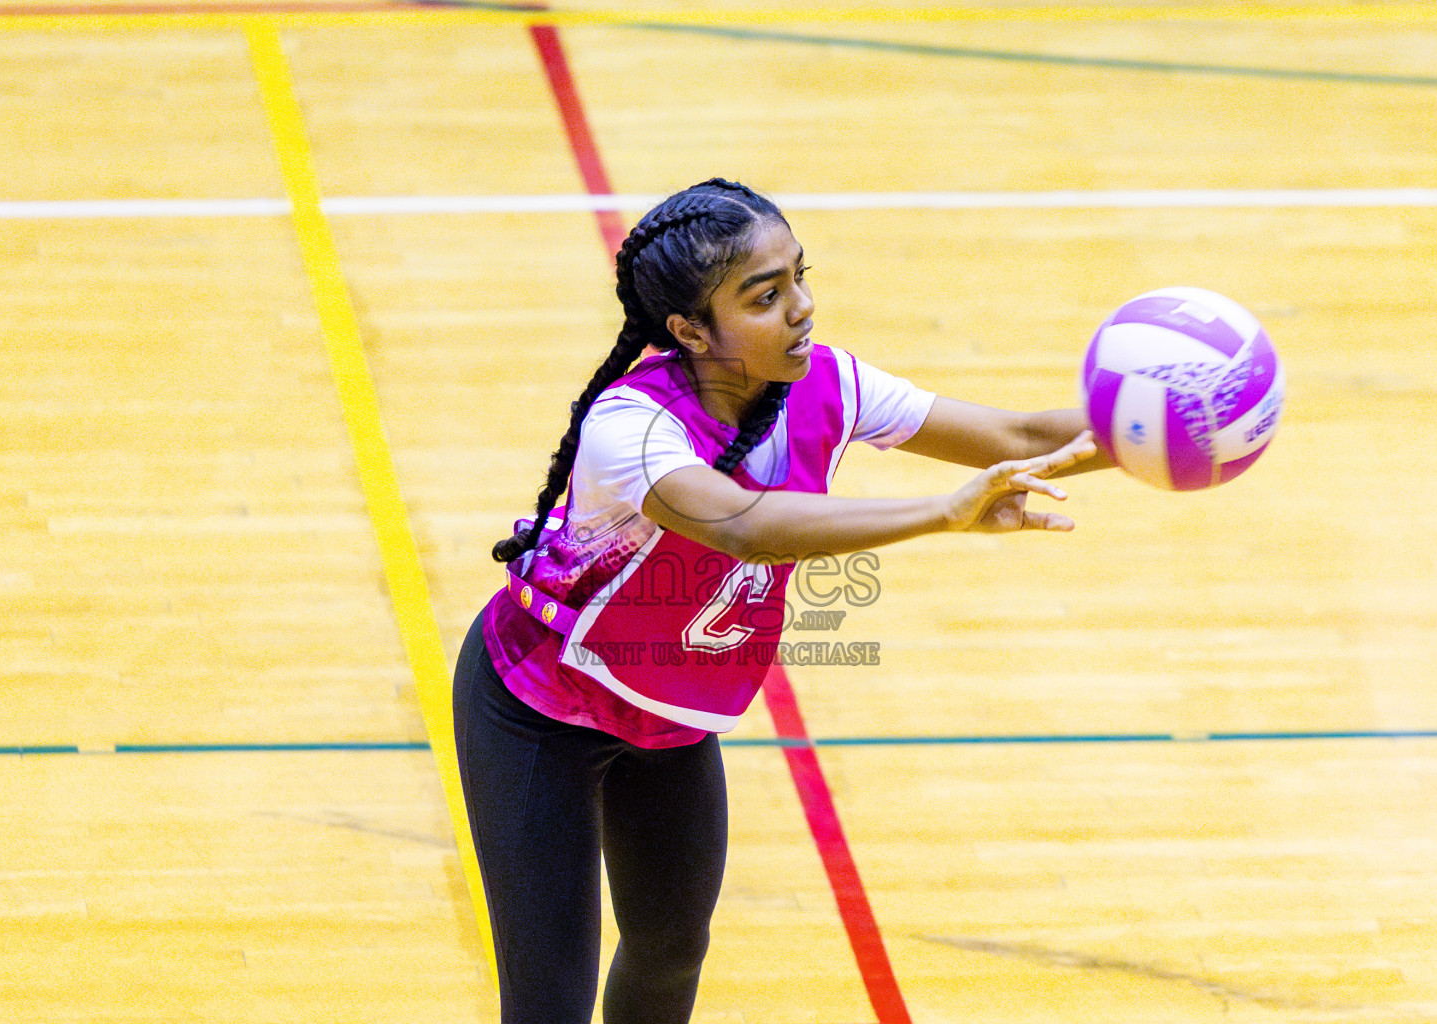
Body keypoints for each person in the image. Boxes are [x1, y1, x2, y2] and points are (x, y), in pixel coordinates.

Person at [453, 177, 1107, 1024]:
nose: (801, 308)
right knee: (549, 1005)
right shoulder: (632, 428)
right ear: (690, 331)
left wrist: (1157, 430)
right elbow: (744, 525)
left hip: (666, 716)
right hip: (538, 711)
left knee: (669, 952)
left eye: (800, 277)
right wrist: (944, 513)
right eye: (765, 297)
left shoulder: (829, 384)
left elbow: (1019, 437)